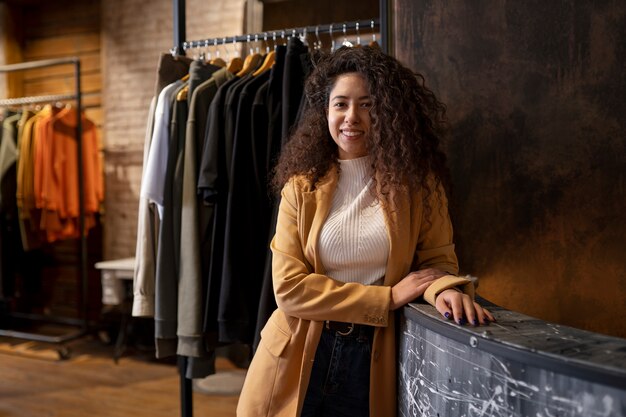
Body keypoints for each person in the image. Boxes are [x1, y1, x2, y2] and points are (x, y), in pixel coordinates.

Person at [237, 46, 495, 417]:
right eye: (340, 104)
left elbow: (438, 262)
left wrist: (443, 290)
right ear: (325, 112)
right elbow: (290, 290)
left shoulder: (420, 186)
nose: (351, 117)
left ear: (387, 112)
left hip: (372, 356)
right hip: (297, 353)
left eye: (368, 104)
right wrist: (386, 298)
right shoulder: (299, 187)